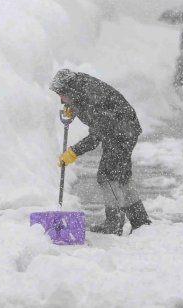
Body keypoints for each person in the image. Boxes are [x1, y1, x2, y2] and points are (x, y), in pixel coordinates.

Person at [50, 68, 151, 235]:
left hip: (119, 133)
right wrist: (73, 108)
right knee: (122, 176)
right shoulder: (81, 88)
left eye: (62, 95)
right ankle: (139, 220)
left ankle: (114, 222)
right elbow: (94, 111)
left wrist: (73, 152)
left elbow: (96, 136)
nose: (61, 100)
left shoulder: (91, 99)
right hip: (124, 129)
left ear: (70, 90)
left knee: (108, 176)